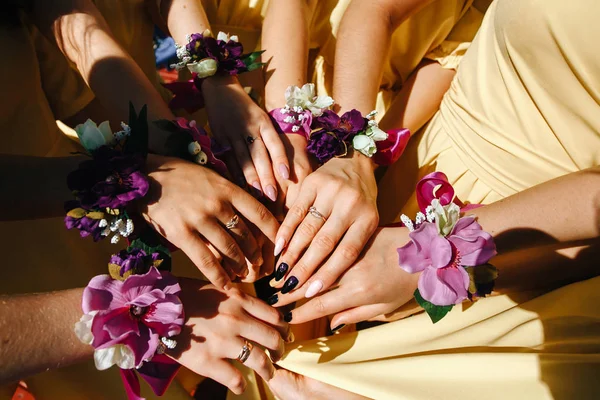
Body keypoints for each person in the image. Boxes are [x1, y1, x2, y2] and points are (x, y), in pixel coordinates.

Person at [266, 0, 600, 397]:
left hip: (547, 240)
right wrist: (353, 154)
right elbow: (376, 10)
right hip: (428, 161)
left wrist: (437, 264)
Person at [270, 0, 492, 302]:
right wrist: (331, 143)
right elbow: (369, 11)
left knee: (339, 260)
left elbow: (449, 59)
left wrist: (373, 155)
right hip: (314, 90)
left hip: (392, 125)